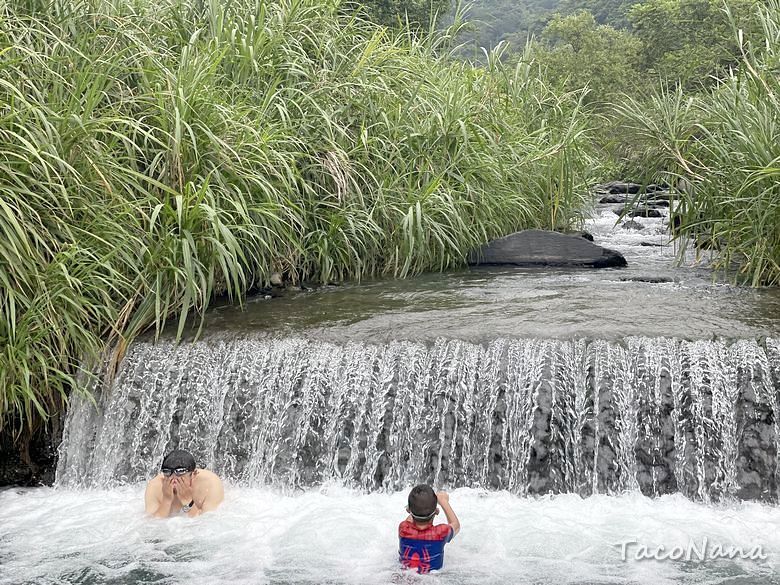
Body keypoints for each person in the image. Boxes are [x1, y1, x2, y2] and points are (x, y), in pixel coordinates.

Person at [398, 485, 460, 573]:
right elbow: (456, 525)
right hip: (432, 579)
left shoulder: (403, 528)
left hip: (405, 576)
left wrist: (412, 508)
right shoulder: (441, 533)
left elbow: (411, 519)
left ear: (408, 510)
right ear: (436, 512)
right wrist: (443, 501)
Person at [144, 449, 224, 518]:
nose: (173, 479)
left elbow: (206, 526)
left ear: (193, 474)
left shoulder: (210, 484)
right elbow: (152, 524)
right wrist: (166, 500)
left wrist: (188, 501)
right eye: (168, 473)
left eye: (180, 472)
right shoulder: (154, 486)